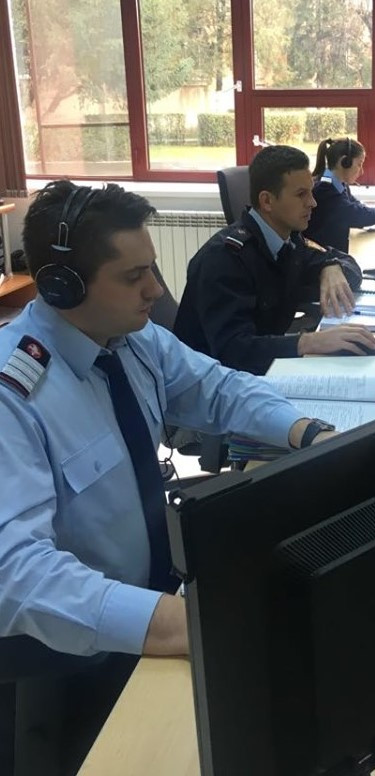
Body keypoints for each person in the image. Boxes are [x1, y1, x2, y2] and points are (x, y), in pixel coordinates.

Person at [0, 180, 336, 775]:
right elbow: (18, 574)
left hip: (161, 603)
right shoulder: (14, 395)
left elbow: (219, 388)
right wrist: (176, 623)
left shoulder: (133, 339)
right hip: (76, 649)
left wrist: (309, 434)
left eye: (152, 270)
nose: (156, 291)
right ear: (62, 287)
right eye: (134, 277)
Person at [174, 145, 375, 375]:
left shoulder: (288, 241)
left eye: (311, 192)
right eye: (301, 194)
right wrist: (309, 342)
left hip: (255, 375)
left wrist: (330, 266)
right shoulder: (224, 260)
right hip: (211, 385)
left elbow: (351, 272)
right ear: (267, 201)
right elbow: (234, 352)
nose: (313, 203)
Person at [305, 137, 375, 253]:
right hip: (323, 256)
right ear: (344, 162)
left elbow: (356, 205)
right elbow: (357, 215)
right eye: (359, 164)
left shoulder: (336, 182)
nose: (362, 171)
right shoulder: (325, 190)